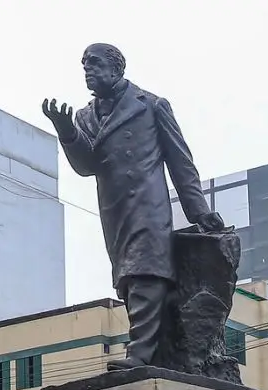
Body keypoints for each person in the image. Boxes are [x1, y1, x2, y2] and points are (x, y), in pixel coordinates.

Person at [42, 43, 226, 369]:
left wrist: (198, 211)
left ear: (116, 69)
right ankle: (156, 351)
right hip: (114, 212)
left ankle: (140, 352)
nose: (88, 69)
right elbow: (87, 166)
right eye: (84, 64)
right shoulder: (85, 116)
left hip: (148, 205)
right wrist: (67, 131)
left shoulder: (151, 105)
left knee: (145, 272)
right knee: (128, 280)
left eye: (95, 63)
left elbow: (180, 163)